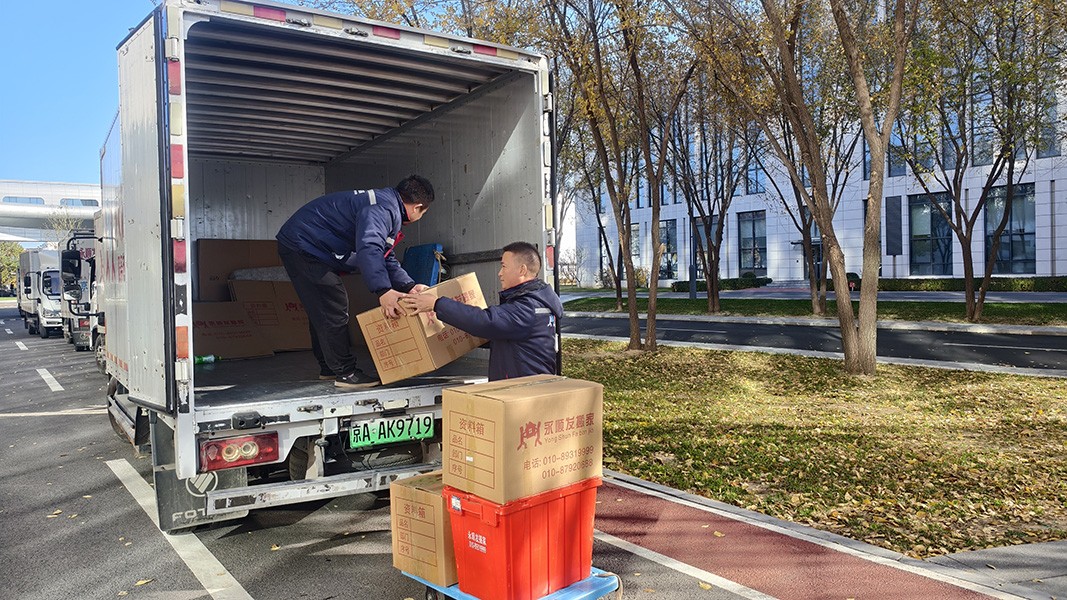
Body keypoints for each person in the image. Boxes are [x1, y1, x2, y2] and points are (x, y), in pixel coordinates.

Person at [276, 175, 434, 389]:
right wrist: (383, 290)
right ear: (417, 207)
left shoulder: (386, 205)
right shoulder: (383, 209)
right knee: (332, 304)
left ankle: (329, 368)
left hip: (307, 244)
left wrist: (408, 285)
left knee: (323, 307)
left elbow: (384, 254)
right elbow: (370, 248)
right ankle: (345, 373)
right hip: (304, 246)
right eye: (423, 213)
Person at [401, 241, 562, 381]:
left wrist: (436, 303)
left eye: (504, 267)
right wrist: (432, 293)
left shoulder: (528, 308)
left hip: (523, 393)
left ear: (522, 270)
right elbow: (494, 331)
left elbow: (485, 321)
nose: (500, 273)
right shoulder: (534, 303)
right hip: (521, 389)